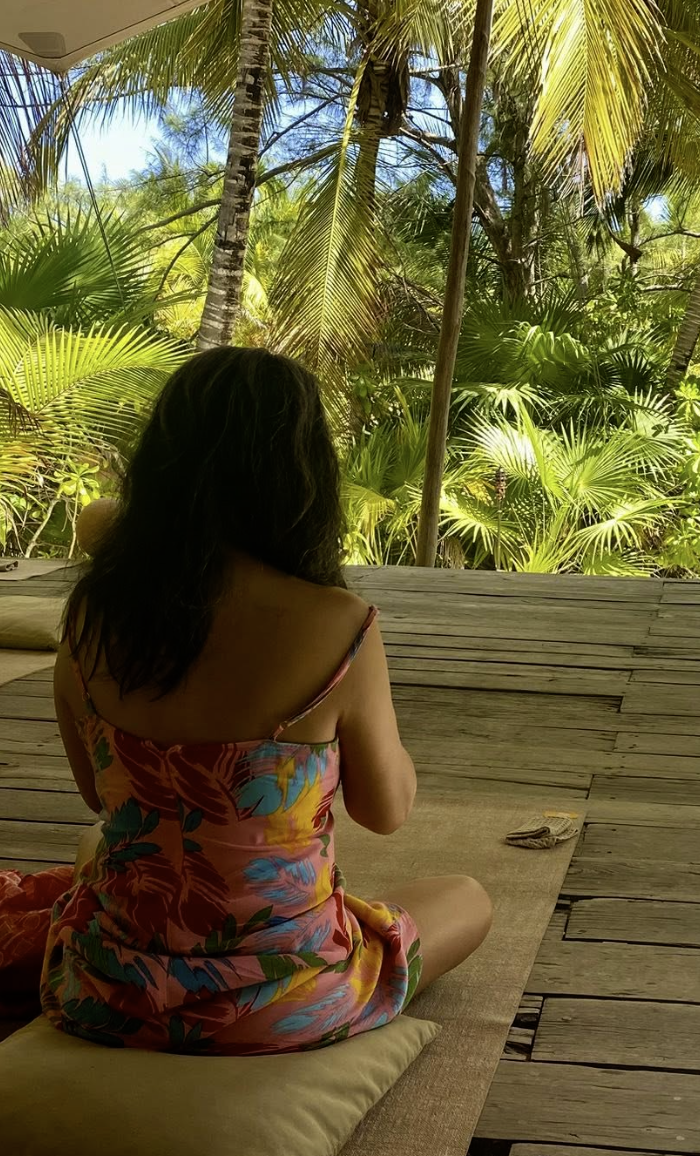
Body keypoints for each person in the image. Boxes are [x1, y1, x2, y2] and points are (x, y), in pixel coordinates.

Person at [44, 346, 491, 1054]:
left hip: (110, 989)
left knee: (100, 846)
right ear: (301, 476)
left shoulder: (89, 615)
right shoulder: (339, 623)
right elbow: (386, 812)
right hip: (285, 997)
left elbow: (97, 795)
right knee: (467, 897)